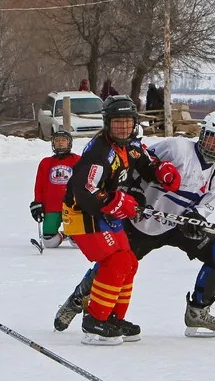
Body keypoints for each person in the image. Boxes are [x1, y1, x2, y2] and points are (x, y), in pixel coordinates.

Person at [54, 111, 215, 338]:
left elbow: (205, 206)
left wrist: (196, 219)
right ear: (202, 135)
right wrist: (135, 194)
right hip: (139, 223)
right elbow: (139, 163)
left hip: (174, 227)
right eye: (213, 136)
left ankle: (198, 311)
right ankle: (78, 299)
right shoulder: (176, 148)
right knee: (115, 264)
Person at [61, 96, 182, 345]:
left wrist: (162, 171)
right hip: (82, 214)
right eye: (117, 123)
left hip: (105, 212)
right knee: (115, 262)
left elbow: (147, 162)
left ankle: (113, 317)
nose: (123, 128)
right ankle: (95, 320)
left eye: (127, 122)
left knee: (128, 262)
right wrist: (115, 202)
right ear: (107, 123)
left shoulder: (131, 145)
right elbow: (85, 191)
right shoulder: (100, 152)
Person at [31, 130, 81, 248]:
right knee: (49, 243)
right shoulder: (46, 162)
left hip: (73, 207)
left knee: (78, 243)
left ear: (69, 143)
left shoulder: (78, 160)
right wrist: (38, 202)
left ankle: (72, 233)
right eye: (57, 140)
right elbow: (39, 186)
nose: (60, 143)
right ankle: (63, 235)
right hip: (52, 206)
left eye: (63, 140)